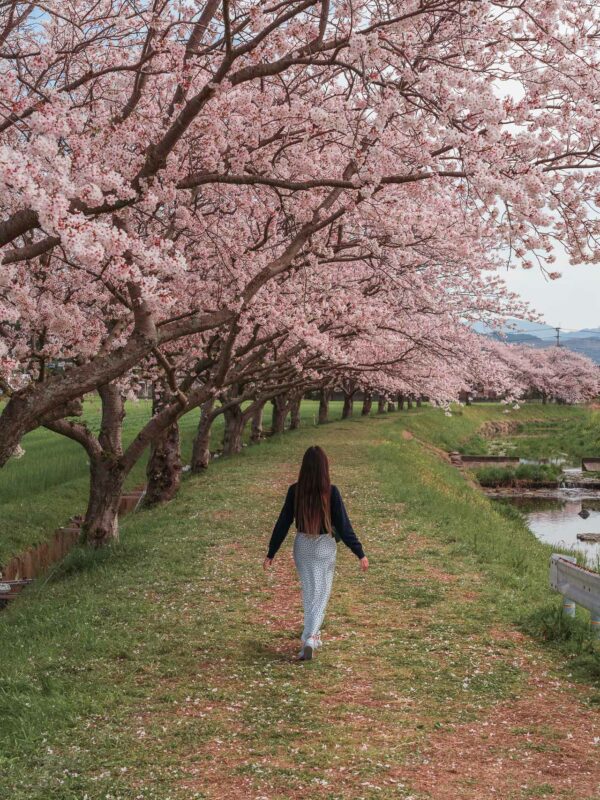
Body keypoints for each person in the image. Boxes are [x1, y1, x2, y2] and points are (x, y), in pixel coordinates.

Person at [263, 445, 369, 660]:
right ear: (324, 468)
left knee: (311, 591)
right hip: (324, 547)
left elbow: (283, 523)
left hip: (302, 545)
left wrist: (271, 552)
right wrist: (360, 553)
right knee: (321, 592)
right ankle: (310, 637)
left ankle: (311, 635)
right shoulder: (331, 491)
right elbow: (344, 526)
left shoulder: (295, 491)